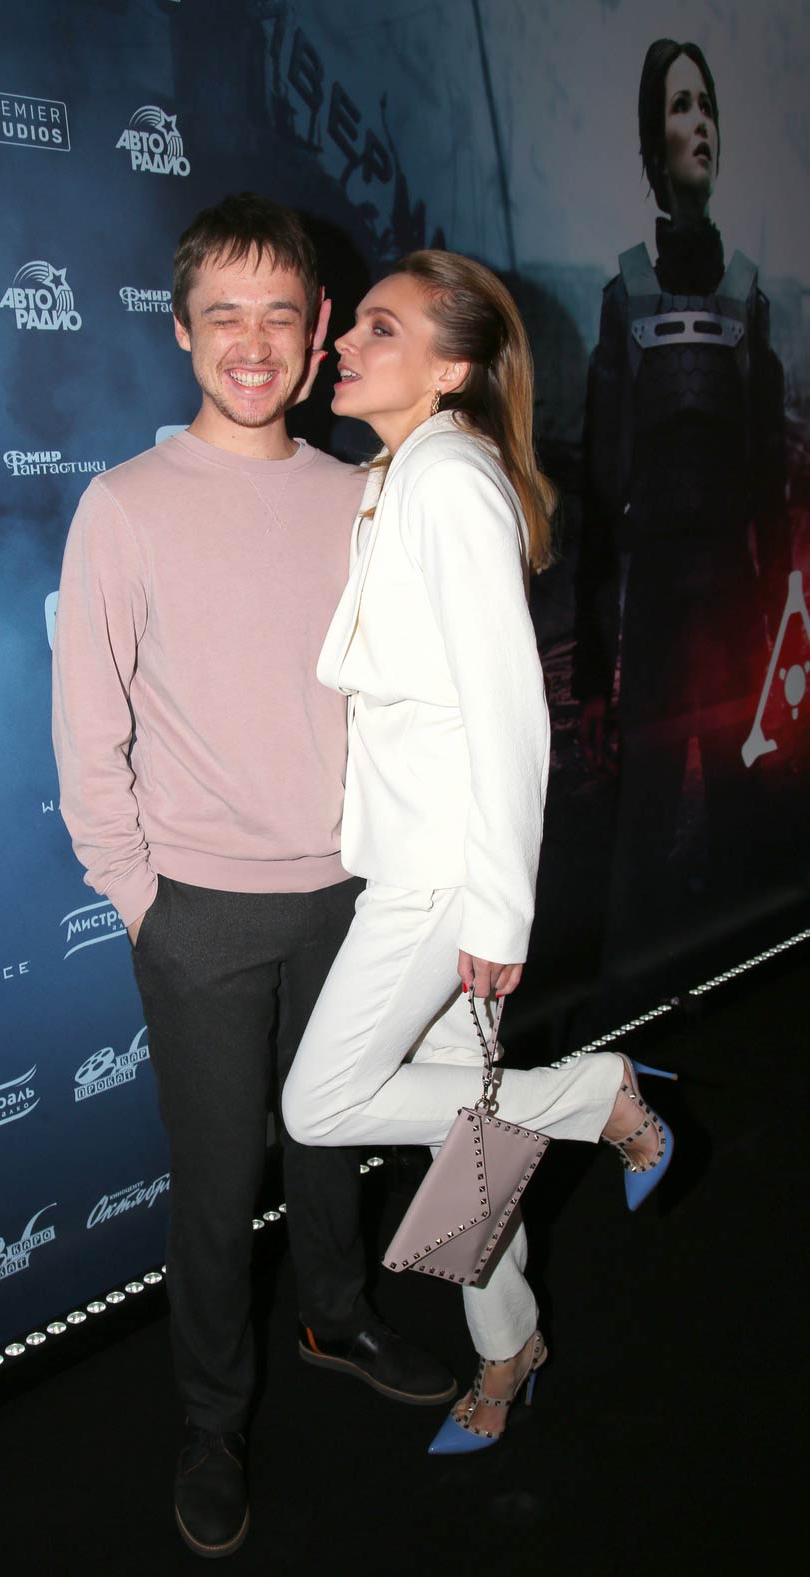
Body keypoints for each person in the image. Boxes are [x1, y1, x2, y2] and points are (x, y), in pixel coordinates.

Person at [52, 194, 455, 1558]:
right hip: (200, 917)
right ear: (178, 330)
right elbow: (85, 731)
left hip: (353, 897)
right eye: (222, 312)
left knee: (332, 1145)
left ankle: (335, 1317)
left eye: (279, 313)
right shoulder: (123, 506)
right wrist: (142, 903)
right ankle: (212, 1417)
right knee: (219, 1187)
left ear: (318, 328)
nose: (251, 340)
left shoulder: (360, 496)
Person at [281, 249, 675, 1453]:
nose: (343, 344)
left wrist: (497, 911)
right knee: (467, 1138)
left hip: (442, 873)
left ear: (449, 369)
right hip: (416, 854)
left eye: (381, 330)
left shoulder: (447, 480)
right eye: (353, 325)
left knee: (319, 1101)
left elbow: (510, 712)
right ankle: (507, 1346)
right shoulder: (400, 474)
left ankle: (597, 1091)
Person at [575, 39, 788, 975]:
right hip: (657, 614)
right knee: (645, 845)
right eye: (677, 107)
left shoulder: (748, 296)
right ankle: (628, 1020)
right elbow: (596, 494)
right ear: (648, 143)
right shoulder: (624, 296)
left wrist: (781, 646)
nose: (697, 125)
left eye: (705, 106)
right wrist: (593, 677)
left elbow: (769, 493)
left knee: (746, 839)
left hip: (735, 619)